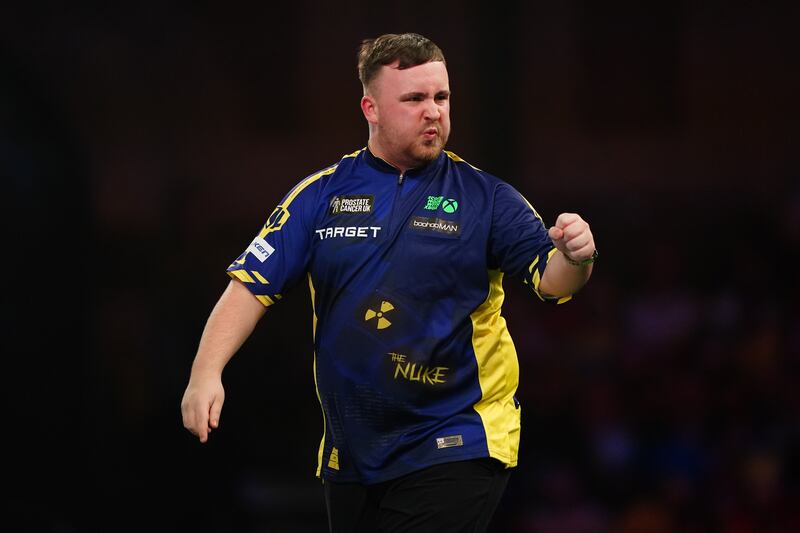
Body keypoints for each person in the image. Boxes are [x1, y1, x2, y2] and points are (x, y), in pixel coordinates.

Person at [181, 32, 597, 532]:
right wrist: (205, 373)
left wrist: (579, 256)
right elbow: (250, 286)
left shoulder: (487, 197)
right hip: (352, 453)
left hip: (456, 439)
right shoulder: (320, 195)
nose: (433, 112)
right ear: (370, 108)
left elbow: (552, 281)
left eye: (441, 97)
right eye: (415, 99)